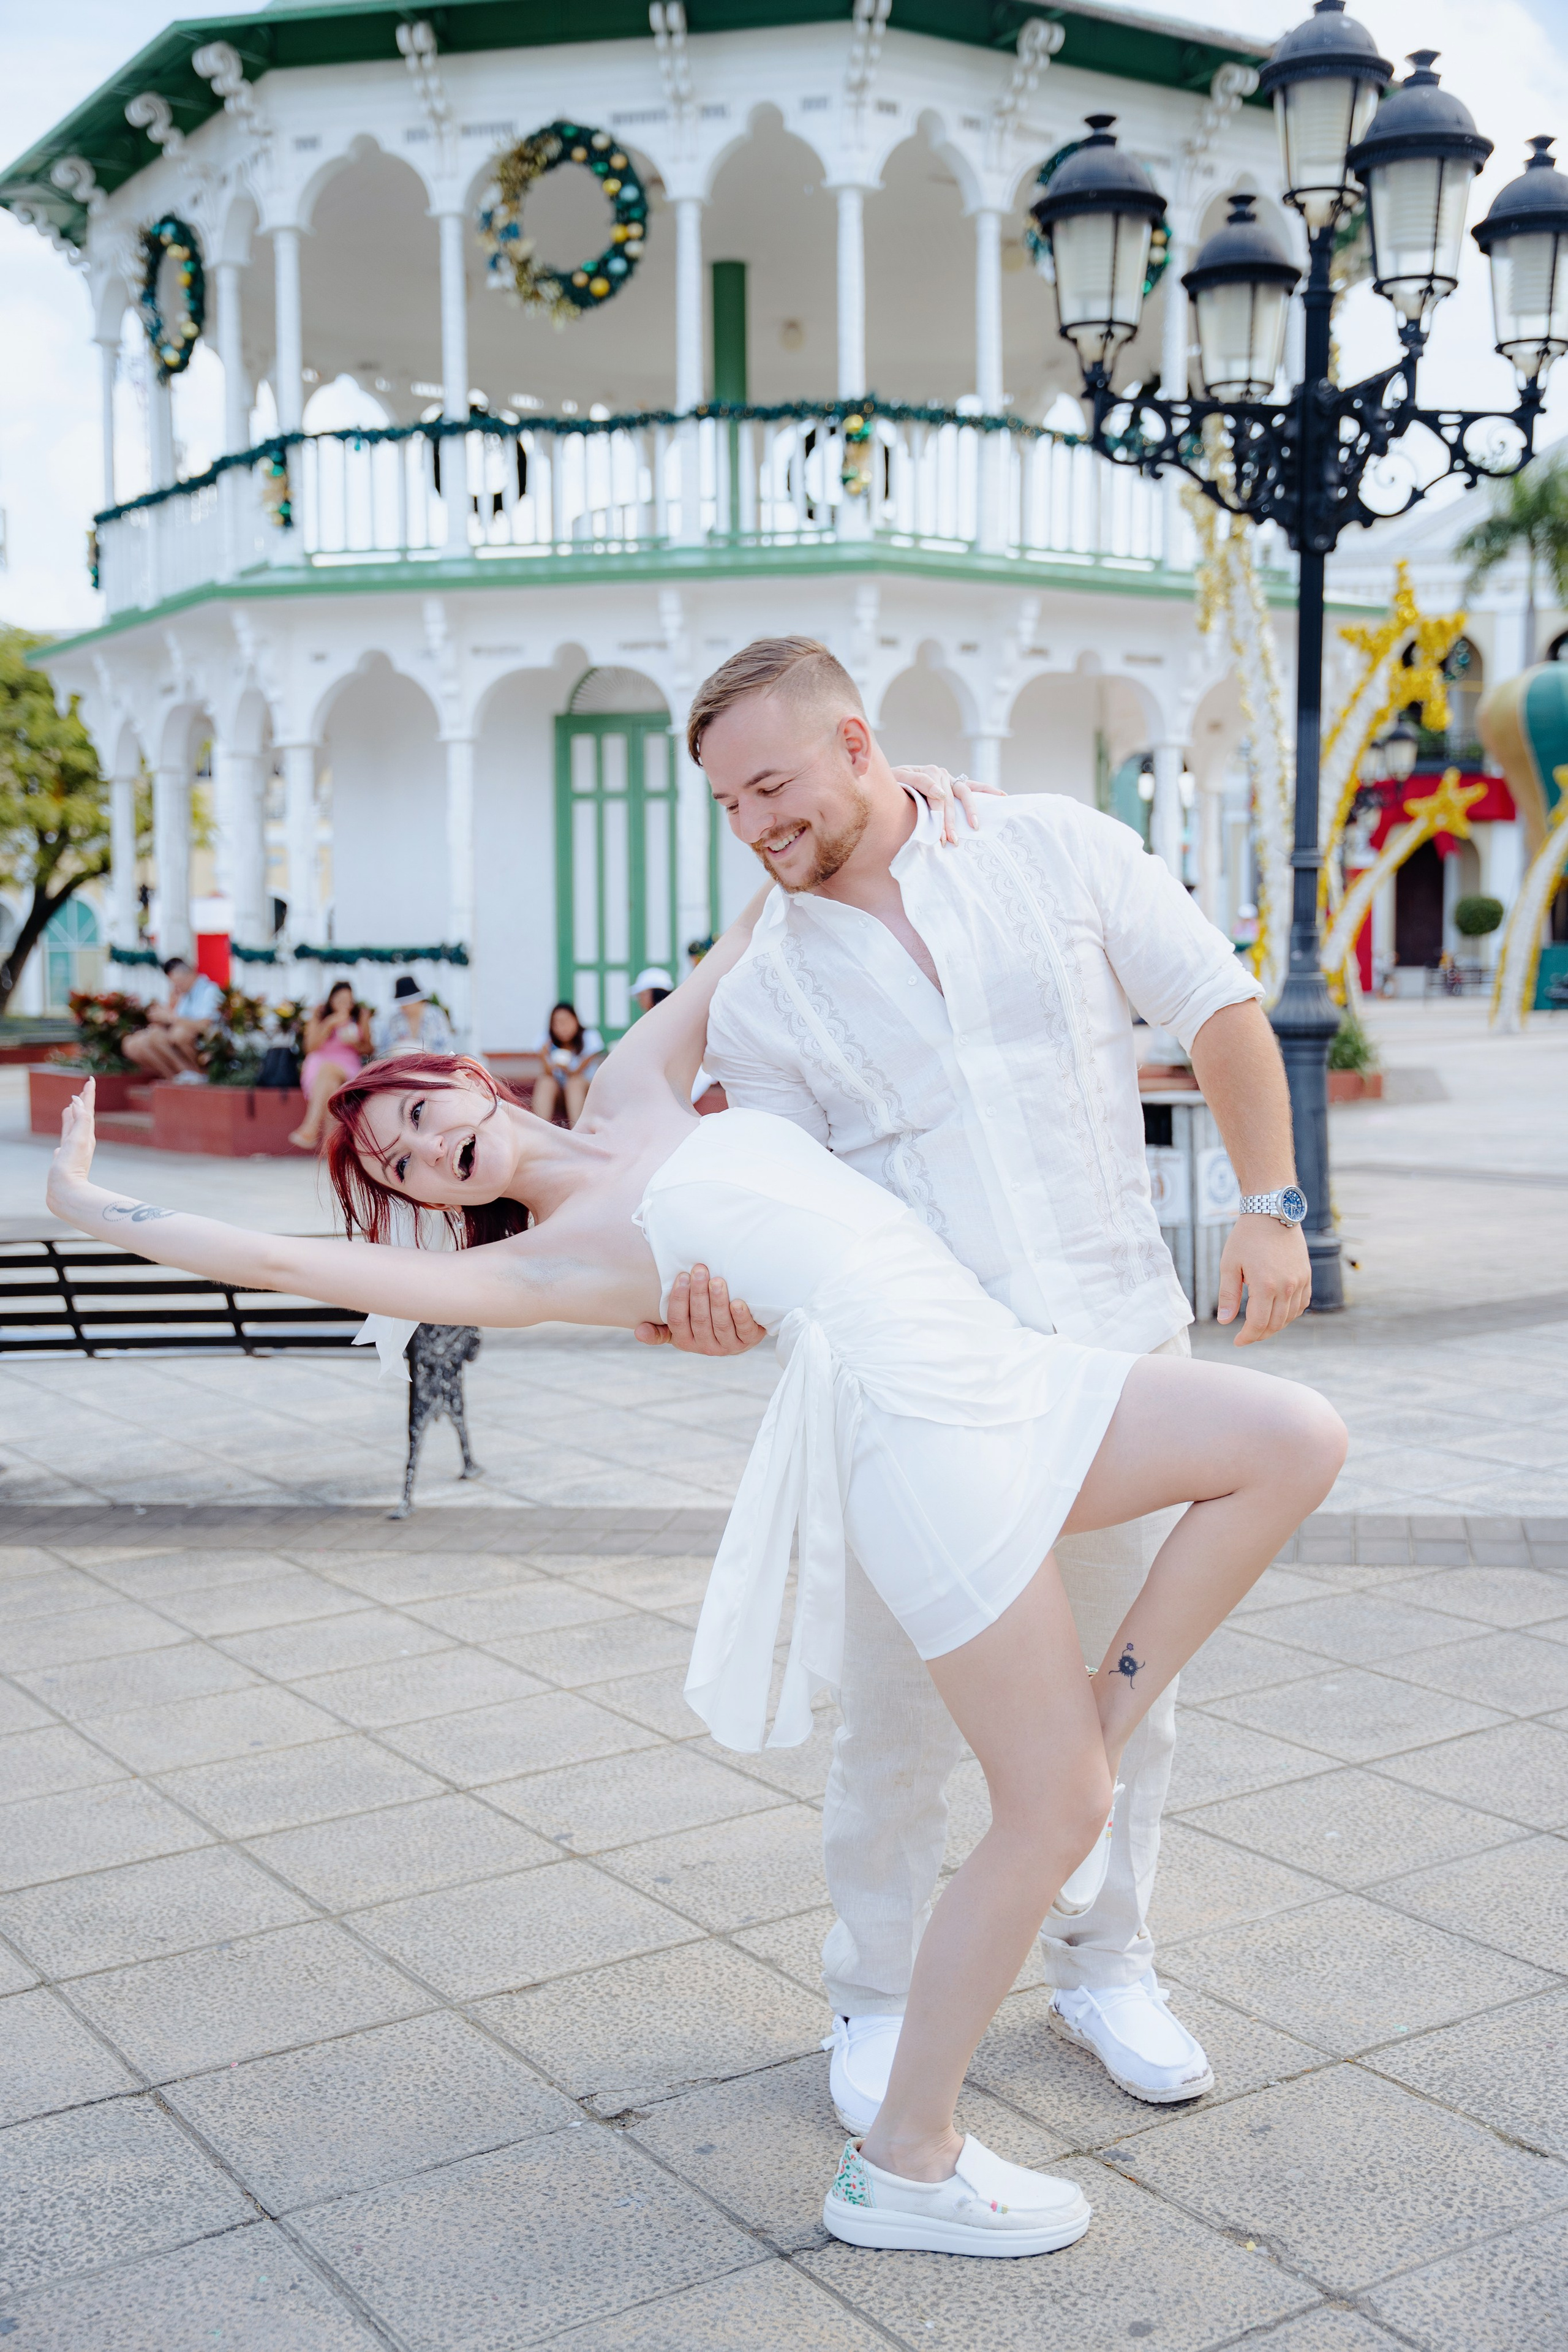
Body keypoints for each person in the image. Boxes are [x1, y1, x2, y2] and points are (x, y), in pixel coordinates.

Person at [47, 844, 1344, 2261]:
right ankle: (906, 2161)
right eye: (397, 1161)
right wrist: (103, 1210)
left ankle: (1089, 1736)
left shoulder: (633, 1090)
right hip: (918, 1440)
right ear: (420, 1196)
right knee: (1047, 1814)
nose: (424, 1146)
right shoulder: (534, 1262)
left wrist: (901, 793)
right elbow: (305, 1265)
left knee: (1288, 1438)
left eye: (421, 1111)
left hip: (1013, 1375)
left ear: (469, 1077)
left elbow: (752, 922)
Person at [638, 636, 1316, 2125]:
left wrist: (1270, 1201)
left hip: (1116, 1344)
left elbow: (1209, 1003)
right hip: (915, 1395)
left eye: (771, 782)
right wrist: (718, 1302)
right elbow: (774, 1197)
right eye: (726, 803)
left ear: (857, 743)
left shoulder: (1049, 846)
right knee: (892, 1717)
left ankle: (1105, 1966)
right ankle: (876, 1995)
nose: (753, 821)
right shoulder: (766, 989)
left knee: (1143, 1687)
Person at [290, 978, 371, 1152]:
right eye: (340, 1000)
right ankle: (331, 1147)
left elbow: (369, 1048)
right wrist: (330, 1024)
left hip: (348, 1064)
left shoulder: (359, 1016)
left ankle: (310, 1128)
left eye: (348, 1001)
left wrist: (355, 1043)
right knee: (332, 1086)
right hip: (319, 1062)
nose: (345, 1005)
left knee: (329, 1070)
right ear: (331, 1000)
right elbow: (310, 1047)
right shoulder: (320, 1015)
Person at [120, 956, 223, 1080]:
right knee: (136, 1043)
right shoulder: (185, 995)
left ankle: (197, 1075)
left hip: (207, 1041)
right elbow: (176, 1018)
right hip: (181, 1036)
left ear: (188, 975)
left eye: (178, 983)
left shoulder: (210, 991)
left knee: (179, 1034)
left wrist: (170, 1018)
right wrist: (161, 1018)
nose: (176, 987)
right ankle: (175, 1076)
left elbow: (205, 1025)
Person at [532, 1001, 604, 1127]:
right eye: (557, 1023)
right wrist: (544, 1055)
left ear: (576, 1020)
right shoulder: (546, 1040)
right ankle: (539, 1129)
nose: (563, 1027)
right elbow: (548, 1072)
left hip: (586, 1092)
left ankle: (577, 1131)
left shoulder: (590, 1037)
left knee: (574, 1082)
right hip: (560, 1094)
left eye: (567, 1021)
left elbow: (577, 1071)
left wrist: (566, 1068)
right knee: (545, 1081)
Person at [373, 975, 455, 1060]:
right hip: (403, 1068)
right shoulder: (396, 1020)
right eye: (401, 1005)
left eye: (406, 1004)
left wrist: (429, 1055)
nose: (403, 1008)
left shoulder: (435, 1015)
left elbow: (447, 1046)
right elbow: (384, 1049)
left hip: (433, 1066)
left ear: (417, 1001)